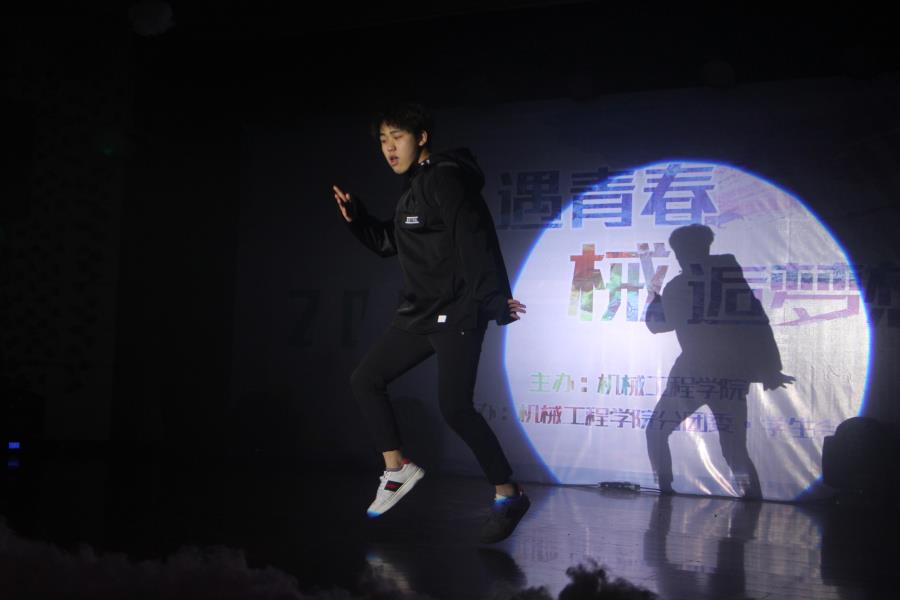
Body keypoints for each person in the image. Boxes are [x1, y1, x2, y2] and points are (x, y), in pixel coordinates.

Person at [332, 102, 529, 543]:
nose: (389, 148)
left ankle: (508, 493)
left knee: (455, 408)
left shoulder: (444, 178)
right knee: (366, 379)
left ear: (421, 137)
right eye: (383, 141)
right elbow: (391, 242)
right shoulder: (414, 188)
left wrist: (493, 299)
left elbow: (473, 235)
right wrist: (358, 220)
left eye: (397, 137)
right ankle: (396, 468)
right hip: (420, 312)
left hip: (457, 311)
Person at [643, 224, 794, 498]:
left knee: (656, 432)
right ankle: (752, 497)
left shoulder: (679, 286)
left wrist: (653, 297)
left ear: (680, 253)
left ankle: (664, 490)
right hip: (728, 376)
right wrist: (770, 368)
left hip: (692, 375)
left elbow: (658, 325)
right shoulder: (730, 282)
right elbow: (759, 325)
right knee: (734, 447)